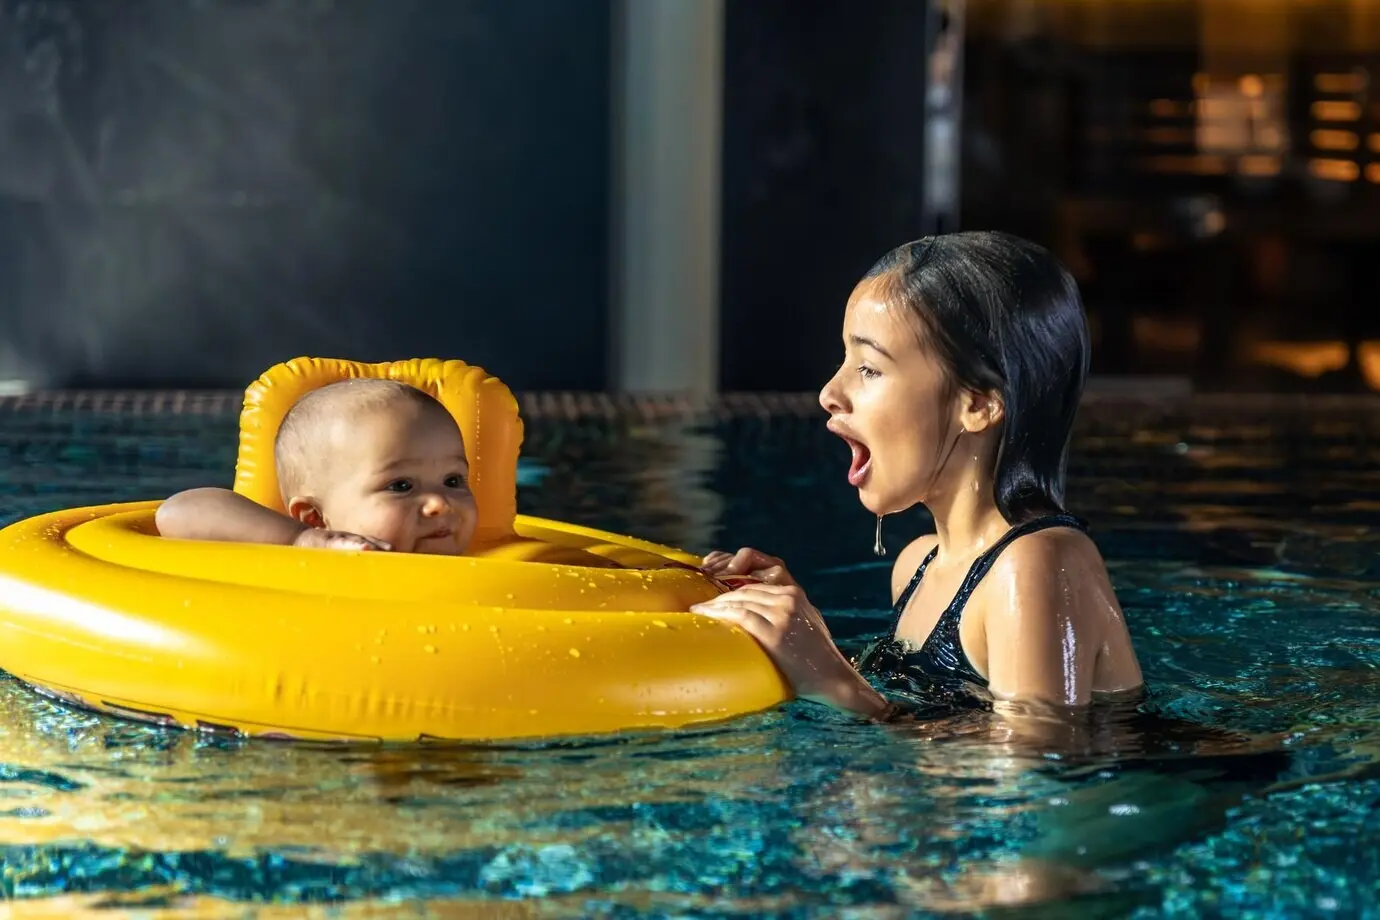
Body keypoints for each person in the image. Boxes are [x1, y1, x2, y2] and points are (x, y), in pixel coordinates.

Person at [690, 231, 1144, 719]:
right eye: (845, 360)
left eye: (869, 368)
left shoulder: (1033, 566)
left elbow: (1038, 760)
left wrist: (840, 686)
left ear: (976, 404)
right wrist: (805, 634)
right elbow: (930, 722)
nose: (829, 393)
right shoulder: (917, 565)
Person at [155, 378, 478, 555]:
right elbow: (176, 513)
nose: (440, 503)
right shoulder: (313, 557)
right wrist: (299, 540)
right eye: (401, 486)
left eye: (452, 480)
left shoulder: (489, 569)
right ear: (315, 517)